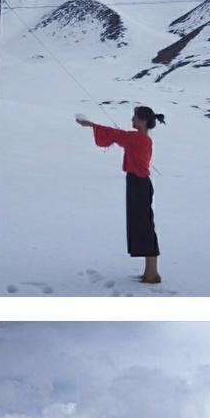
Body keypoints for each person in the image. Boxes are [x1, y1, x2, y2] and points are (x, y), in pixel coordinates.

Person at [76, 104, 165, 286]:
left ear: (142, 121)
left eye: (134, 117)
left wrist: (90, 125)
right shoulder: (139, 138)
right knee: (143, 225)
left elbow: (115, 134)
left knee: (145, 227)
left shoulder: (138, 139)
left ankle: (153, 273)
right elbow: (118, 135)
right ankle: (150, 271)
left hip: (139, 185)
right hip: (138, 184)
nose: (132, 120)